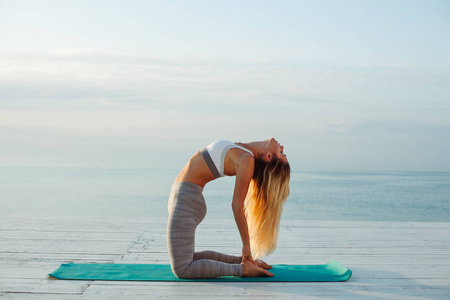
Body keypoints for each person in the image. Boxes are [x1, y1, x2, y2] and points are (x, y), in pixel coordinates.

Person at [167, 138, 290, 279]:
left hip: (186, 200)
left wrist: (246, 247)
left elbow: (237, 205)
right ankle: (242, 262)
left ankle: (244, 270)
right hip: (183, 197)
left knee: (183, 269)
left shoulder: (246, 159)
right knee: (190, 258)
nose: (282, 146)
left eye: (281, 153)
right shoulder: (244, 150)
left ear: (269, 156)